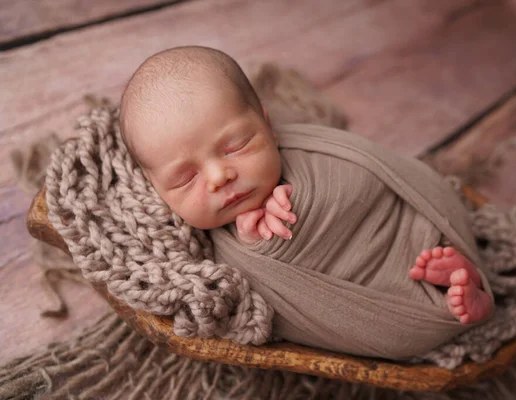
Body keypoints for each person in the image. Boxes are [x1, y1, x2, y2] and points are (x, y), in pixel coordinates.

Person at [119, 45, 492, 330]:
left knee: (424, 242)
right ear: (156, 189)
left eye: (235, 146)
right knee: (405, 310)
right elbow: (261, 304)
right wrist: (255, 246)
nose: (219, 177)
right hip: (368, 309)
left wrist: (306, 200)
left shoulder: (309, 152)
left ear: (267, 124)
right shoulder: (199, 259)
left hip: (396, 230)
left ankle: (467, 275)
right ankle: (459, 300)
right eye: (186, 178)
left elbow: (366, 172)